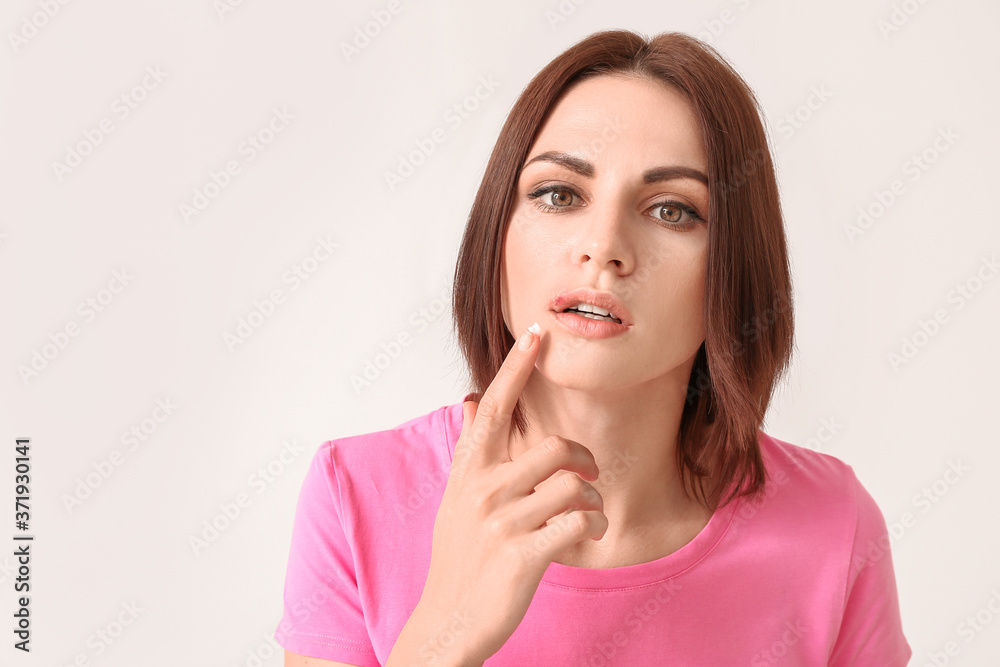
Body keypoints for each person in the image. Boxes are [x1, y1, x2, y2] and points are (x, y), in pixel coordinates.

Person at [276, 29, 911, 666]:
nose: (602, 245)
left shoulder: (834, 524)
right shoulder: (356, 495)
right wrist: (445, 633)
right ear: (497, 235)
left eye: (671, 211)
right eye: (559, 195)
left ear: (735, 268)